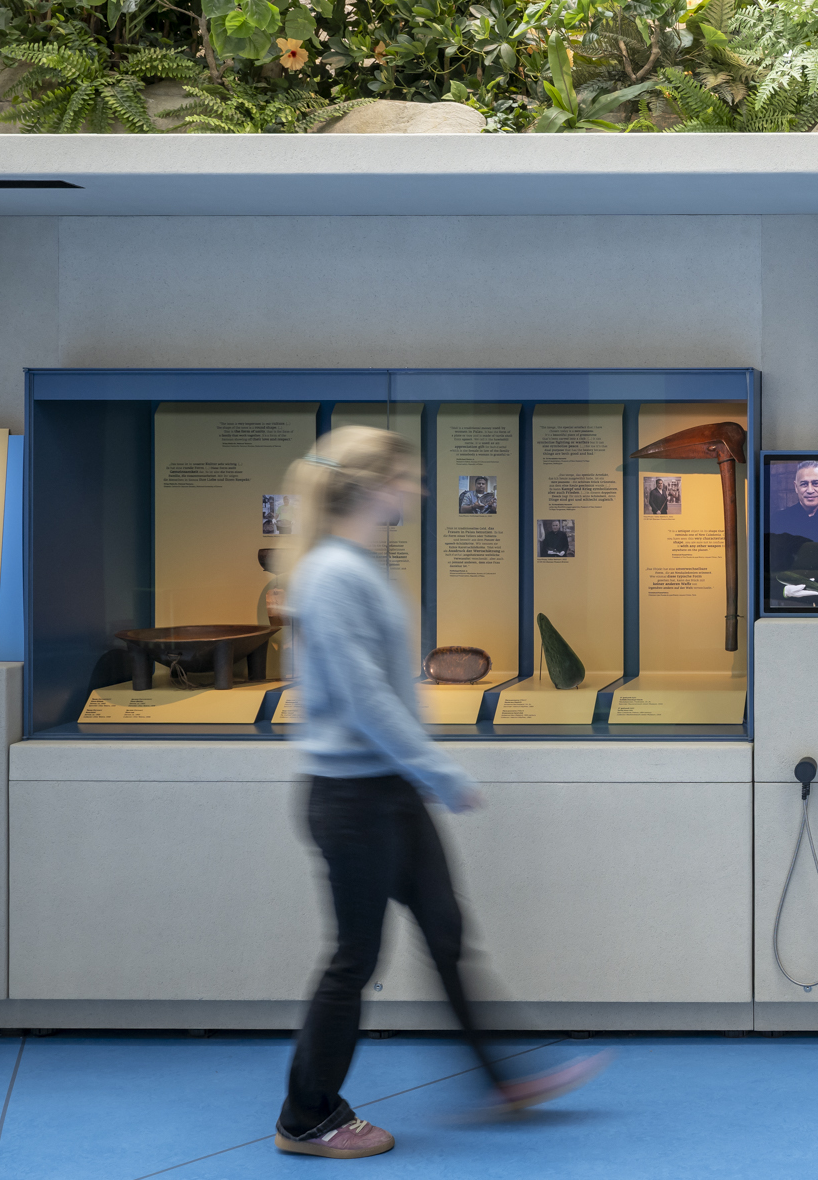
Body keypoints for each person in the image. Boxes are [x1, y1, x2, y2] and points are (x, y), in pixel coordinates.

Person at [276, 427, 606, 1159]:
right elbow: (365, 696)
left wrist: (418, 772)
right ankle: (306, 1116)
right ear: (370, 488)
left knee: (447, 934)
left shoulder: (355, 567)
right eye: (408, 477)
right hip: (352, 798)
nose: (418, 489)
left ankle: (500, 1080)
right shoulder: (333, 575)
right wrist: (439, 769)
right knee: (355, 958)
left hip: (385, 790)